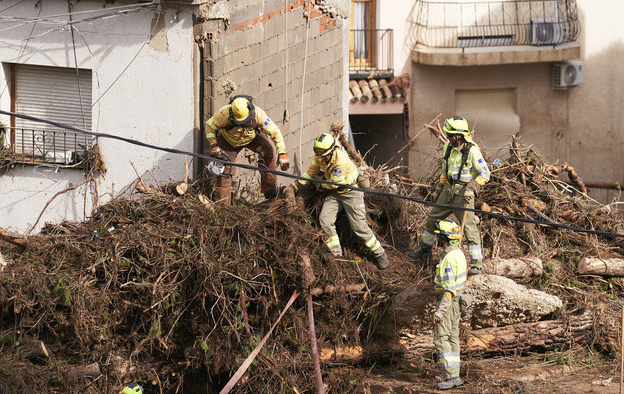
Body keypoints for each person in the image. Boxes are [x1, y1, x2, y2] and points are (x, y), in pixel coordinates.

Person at [407, 116, 490, 274]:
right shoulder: (448, 147)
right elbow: (445, 170)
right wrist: (439, 188)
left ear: (459, 136)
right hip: (448, 190)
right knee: (432, 219)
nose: (447, 137)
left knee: (470, 229)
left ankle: (476, 266)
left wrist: (472, 186)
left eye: (450, 135)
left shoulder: (472, 150)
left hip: (463, 194)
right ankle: (424, 252)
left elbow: (485, 173)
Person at [294, 133, 390, 269]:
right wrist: (298, 184)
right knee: (325, 220)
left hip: (351, 192)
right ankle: (337, 255)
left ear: (332, 150)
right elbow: (311, 171)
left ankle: (380, 254)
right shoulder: (320, 155)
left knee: (359, 227)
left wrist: (318, 184)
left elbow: (333, 184)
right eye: (319, 154)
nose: (321, 157)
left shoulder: (341, 161)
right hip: (336, 192)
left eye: (324, 154)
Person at [204, 94, 290, 204]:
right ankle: (223, 205)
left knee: (269, 150)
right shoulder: (223, 114)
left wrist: (282, 152)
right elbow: (209, 126)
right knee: (225, 168)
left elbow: (274, 131)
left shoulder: (258, 114)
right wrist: (213, 145)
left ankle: (270, 190)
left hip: (251, 138)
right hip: (228, 140)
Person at [432, 219, 467, 390]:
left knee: (441, 339)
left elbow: (449, 289)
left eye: (438, 236)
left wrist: (440, 311)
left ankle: (451, 376)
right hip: (457, 302)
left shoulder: (448, 259)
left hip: (449, 301)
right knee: (453, 338)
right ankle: (454, 374)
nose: (436, 239)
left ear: (443, 238)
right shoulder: (459, 253)